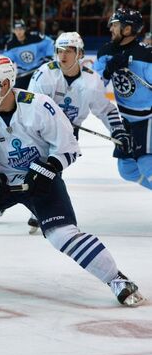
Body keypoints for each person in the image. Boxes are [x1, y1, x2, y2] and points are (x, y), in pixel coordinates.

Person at [0, 55, 144, 308]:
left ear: (5, 84)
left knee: (62, 235)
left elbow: (69, 148)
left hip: (41, 180)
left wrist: (49, 168)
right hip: (1, 179)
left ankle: (117, 279)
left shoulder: (41, 107)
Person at [24, 31, 133, 233]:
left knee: (52, 167)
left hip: (69, 132)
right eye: (59, 50)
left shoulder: (91, 81)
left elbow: (105, 109)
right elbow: (31, 110)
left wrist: (118, 131)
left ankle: (40, 207)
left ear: (80, 54)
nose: (63, 55)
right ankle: (22, 205)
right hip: (40, 130)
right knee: (24, 167)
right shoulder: (45, 75)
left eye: (69, 51)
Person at [94, 8, 152, 190]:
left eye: (115, 25)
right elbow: (94, 86)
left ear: (127, 29)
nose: (111, 28)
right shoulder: (106, 52)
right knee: (127, 169)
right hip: (126, 121)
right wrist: (108, 69)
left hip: (148, 118)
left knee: (146, 164)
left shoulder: (146, 55)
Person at [4, 19, 54, 89]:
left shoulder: (35, 37)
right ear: (13, 30)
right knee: (17, 93)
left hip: (39, 71)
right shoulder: (10, 44)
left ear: (24, 29)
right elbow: (8, 59)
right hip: (23, 74)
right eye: (16, 29)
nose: (19, 32)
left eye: (21, 29)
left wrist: (48, 56)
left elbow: (49, 42)